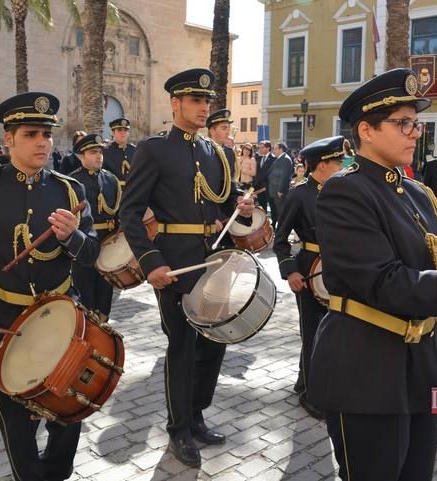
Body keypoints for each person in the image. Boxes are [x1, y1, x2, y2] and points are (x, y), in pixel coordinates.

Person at [307, 68, 437, 481]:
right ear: (365, 130)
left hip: (421, 363)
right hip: (365, 367)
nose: (414, 132)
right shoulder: (344, 191)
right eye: (402, 123)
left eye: (415, 123)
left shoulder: (416, 192)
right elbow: (382, 282)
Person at [0, 92, 100, 480]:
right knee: (18, 425)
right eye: (32, 133)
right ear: (9, 138)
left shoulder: (69, 190)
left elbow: (93, 253)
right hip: (6, 319)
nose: (43, 141)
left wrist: (73, 238)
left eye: (47, 133)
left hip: (64, 317)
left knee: (69, 415)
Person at [119, 68, 254, 468]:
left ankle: (196, 415)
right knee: (181, 345)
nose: (203, 107)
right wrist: (150, 262)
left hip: (212, 260)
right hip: (173, 264)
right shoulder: (154, 149)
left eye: (206, 102)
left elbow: (222, 205)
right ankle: (178, 428)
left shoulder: (216, 153)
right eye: (195, 100)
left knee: (214, 343)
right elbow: (129, 213)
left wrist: (239, 208)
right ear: (175, 103)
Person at [273, 135, 344, 419]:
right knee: (312, 333)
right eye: (337, 161)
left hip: (336, 270)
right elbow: (280, 240)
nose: (341, 165)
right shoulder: (299, 194)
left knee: (332, 333)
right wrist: (290, 271)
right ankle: (309, 394)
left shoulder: (341, 191)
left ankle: (309, 381)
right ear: (322, 165)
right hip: (308, 271)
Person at [69, 133, 120, 318]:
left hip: (107, 243)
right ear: (81, 156)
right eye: (93, 152)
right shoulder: (71, 183)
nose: (99, 156)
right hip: (83, 244)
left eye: (100, 152)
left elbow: (118, 212)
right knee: (85, 293)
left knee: (105, 292)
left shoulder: (111, 180)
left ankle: (104, 326)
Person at [103, 117, 136, 188]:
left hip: (132, 190)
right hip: (113, 190)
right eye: (119, 130)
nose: (123, 133)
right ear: (113, 133)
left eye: (125, 130)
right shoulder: (105, 151)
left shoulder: (134, 150)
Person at [267, 142, 293, 230]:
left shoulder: (285, 159)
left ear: (281, 149)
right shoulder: (279, 158)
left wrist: (281, 190)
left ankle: (282, 230)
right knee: (277, 211)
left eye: (275, 148)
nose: (273, 150)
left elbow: (285, 176)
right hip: (274, 190)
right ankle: (278, 229)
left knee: (282, 212)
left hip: (279, 192)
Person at [206, 109, 237, 180]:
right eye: (224, 128)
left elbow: (230, 180)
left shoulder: (229, 152)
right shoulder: (203, 151)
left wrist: (236, 191)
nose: (228, 132)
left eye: (229, 129)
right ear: (212, 131)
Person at [254, 140, 274, 211]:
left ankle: (274, 222)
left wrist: (267, 185)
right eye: (259, 147)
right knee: (262, 208)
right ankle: (264, 222)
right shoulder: (259, 158)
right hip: (259, 188)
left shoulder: (273, 159)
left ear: (268, 148)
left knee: (272, 207)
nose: (260, 149)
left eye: (262, 147)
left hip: (269, 187)